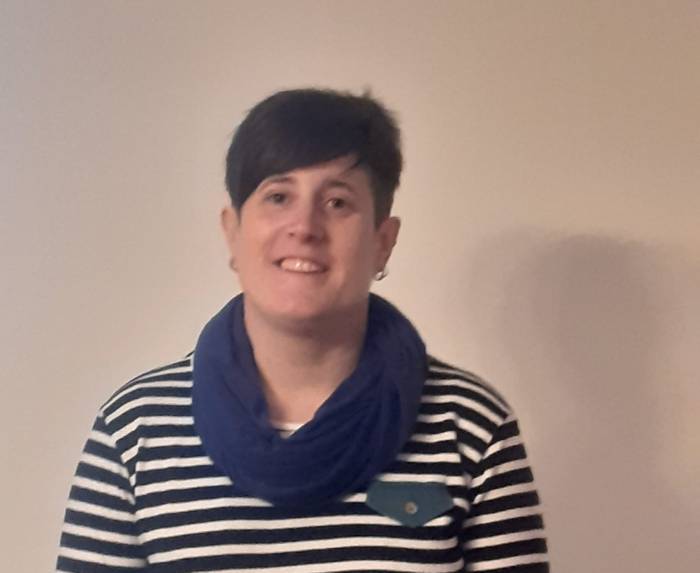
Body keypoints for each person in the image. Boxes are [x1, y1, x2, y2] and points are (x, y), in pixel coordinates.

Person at [56, 88, 549, 572]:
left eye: (336, 202)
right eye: (278, 196)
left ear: (383, 241)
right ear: (233, 231)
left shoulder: (471, 427)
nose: (304, 226)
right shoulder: (135, 431)